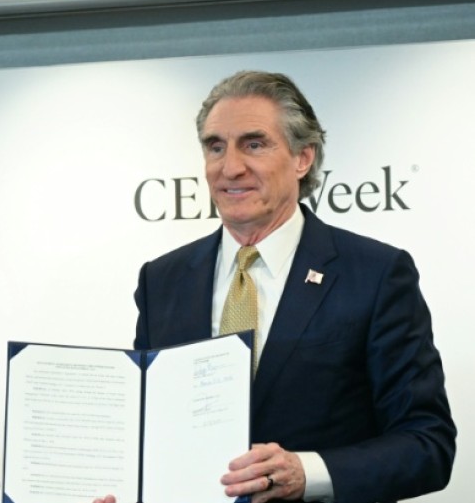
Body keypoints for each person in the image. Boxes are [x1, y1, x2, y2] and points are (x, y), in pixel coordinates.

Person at [97, 70, 455, 503]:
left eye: (254, 143)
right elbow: (151, 432)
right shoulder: (162, 280)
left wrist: (308, 472)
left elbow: (427, 444)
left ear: (303, 158)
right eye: (215, 147)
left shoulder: (376, 274)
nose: (230, 167)